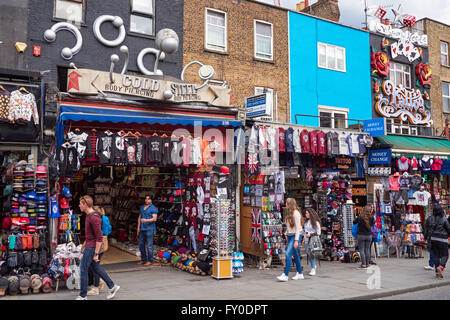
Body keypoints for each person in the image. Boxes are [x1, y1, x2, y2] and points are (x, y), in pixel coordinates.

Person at [76, 195, 120, 300]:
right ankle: (112, 286)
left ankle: (82, 295)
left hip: (92, 247)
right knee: (95, 267)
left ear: (85, 205)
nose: (79, 206)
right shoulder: (88, 215)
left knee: (83, 269)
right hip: (90, 246)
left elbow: (99, 237)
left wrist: (96, 253)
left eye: (80, 204)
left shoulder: (93, 217)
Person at [277, 198, 304, 282]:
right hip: (290, 235)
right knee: (295, 254)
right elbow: (290, 227)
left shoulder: (296, 213)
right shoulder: (290, 213)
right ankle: (300, 273)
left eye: (286, 203)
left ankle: (285, 274)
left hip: (295, 236)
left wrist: (296, 240)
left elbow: (298, 228)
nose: (285, 204)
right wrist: (286, 234)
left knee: (288, 253)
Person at [87, 206, 108, 296]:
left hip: (98, 244)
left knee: (95, 266)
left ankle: (98, 285)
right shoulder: (104, 218)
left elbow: (97, 235)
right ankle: (100, 282)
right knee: (94, 265)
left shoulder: (96, 219)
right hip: (103, 242)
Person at [424, 205, 450, 278]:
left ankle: (437, 273)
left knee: (436, 255)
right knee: (445, 255)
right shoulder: (444, 219)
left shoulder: (429, 218)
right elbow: (448, 229)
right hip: (442, 239)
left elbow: (426, 229)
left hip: (433, 239)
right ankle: (441, 267)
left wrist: (425, 237)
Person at [137, 195, 159, 266]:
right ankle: (143, 259)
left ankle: (150, 260)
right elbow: (140, 217)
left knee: (149, 245)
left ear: (151, 200)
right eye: (146, 199)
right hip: (142, 228)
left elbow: (154, 219)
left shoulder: (153, 208)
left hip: (150, 229)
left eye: (148, 199)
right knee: (141, 244)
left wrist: (145, 220)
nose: (147, 200)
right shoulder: (142, 207)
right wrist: (138, 227)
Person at [353, 205, 375, 270]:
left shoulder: (360, 217)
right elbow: (373, 224)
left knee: (362, 250)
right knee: (367, 250)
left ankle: (363, 264)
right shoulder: (372, 218)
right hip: (369, 235)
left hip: (361, 235)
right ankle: (367, 264)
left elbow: (354, 222)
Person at [302, 208, 321, 276]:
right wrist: (304, 239)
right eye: (306, 213)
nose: (306, 214)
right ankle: (313, 265)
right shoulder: (307, 222)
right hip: (307, 240)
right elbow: (305, 231)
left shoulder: (316, 222)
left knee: (311, 254)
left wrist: (310, 234)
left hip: (313, 240)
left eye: (307, 213)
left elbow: (318, 232)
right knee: (309, 253)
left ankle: (313, 268)